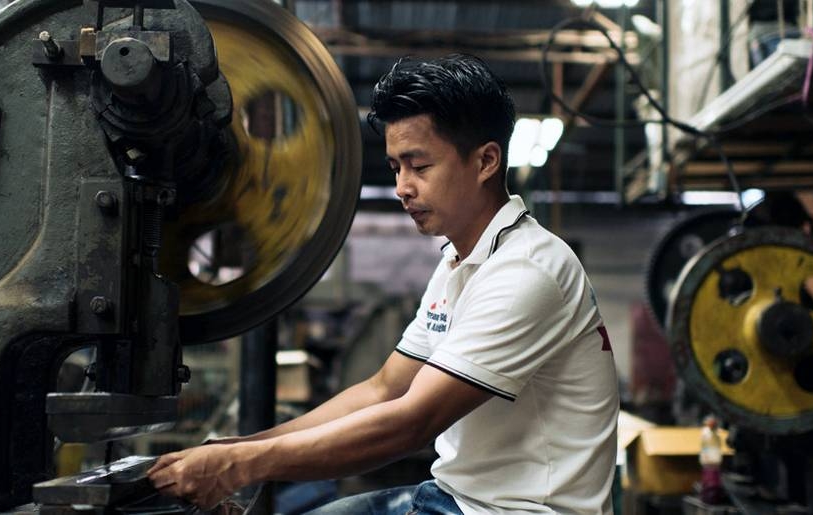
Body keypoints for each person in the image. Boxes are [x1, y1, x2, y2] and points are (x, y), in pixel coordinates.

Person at [148, 53, 619, 514]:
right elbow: (384, 389)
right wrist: (242, 446)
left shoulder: (525, 271)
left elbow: (411, 422)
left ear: (486, 161)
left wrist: (238, 466)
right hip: (455, 498)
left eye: (420, 165)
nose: (401, 187)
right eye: (396, 167)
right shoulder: (461, 262)